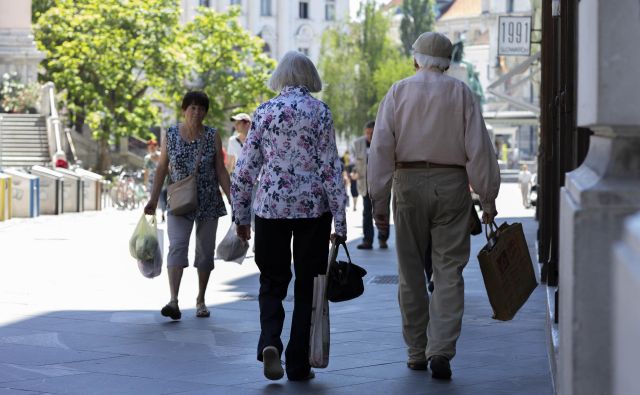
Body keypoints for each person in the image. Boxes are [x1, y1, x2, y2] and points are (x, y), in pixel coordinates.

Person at [367, 32, 500, 380]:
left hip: (407, 183)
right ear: (449, 62)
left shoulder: (398, 91)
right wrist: (487, 198)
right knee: (448, 272)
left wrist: (378, 199)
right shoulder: (461, 93)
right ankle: (440, 348)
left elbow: (381, 148)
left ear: (416, 59)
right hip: (452, 185)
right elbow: (479, 149)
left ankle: (415, 351)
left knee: (410, 273)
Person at [231, 51, 347, 382]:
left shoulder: (264, 113)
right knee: (309, 285)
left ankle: (270, 342)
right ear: (309, 77)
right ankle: (298, 363)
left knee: (272, 279)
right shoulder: (320, 113)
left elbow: (244, 170)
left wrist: (241, 217)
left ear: (280, 77)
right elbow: (330, 168)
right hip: (313, 210)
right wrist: (340, 221)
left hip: (270, 208)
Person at [144, 91, 231, 321]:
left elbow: (221, 170)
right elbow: (162, 168)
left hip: (209, 200)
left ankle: (201, 299)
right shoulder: (171, 134)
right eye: (192, 107)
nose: (196, 112)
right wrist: (153, 199)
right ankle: (173, 300)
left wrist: (233, 198)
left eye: (201, 108)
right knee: (177, 246)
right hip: (179, 200)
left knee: (205, 252)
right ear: (184, 110)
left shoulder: (212, 135)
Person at [351, 121, 389, 249]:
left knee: (383, 212)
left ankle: (383, 238)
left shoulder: (385, 142)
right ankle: (367, 240)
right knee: (366, 212)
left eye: (372, 133)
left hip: (382, 184)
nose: (369, 136)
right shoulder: (358, 144)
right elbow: (355, 163)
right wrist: (354, 172)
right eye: (367, 133)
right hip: (365, 185)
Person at [143, 139, 167, 222]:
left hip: (162, 182)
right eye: (150, 147)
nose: (151, 149)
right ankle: (154, 215)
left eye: (153, 147)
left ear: (156, 147)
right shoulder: (147, 158)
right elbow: (145, 171)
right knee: (152, 199)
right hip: (151, 183)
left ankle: (163, 214)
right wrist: (145, 184)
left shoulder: (161, 156)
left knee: (162, 199)